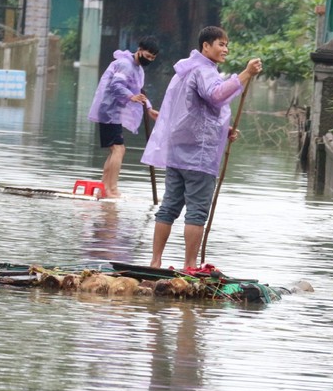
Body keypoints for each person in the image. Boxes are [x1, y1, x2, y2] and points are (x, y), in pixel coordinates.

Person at [141, 26, 262, 269]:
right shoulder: (203, 70)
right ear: (205, 46)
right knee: (196, 212)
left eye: (227, 45)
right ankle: (190, 265)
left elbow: (191, 112)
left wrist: (223, 130)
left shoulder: (184, 70)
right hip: (199, 156)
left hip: (177, 152)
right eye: (220, 44)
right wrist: (245, 74)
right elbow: (216, 96)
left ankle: (155, 262)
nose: (225, 49)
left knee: (169, 206)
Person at [88, 36, 160, 198]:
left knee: (116, 150)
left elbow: (138, 91)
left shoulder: (137, 68)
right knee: (118, 149)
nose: (149, 60)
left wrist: (149, 108)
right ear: (140, 49)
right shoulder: (126, 65)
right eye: (147, 56)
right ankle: (110, 189)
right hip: (108, 110)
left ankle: (104, 189)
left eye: (152, 58)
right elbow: (116, 85)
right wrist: (130, 97)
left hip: (114, 112)